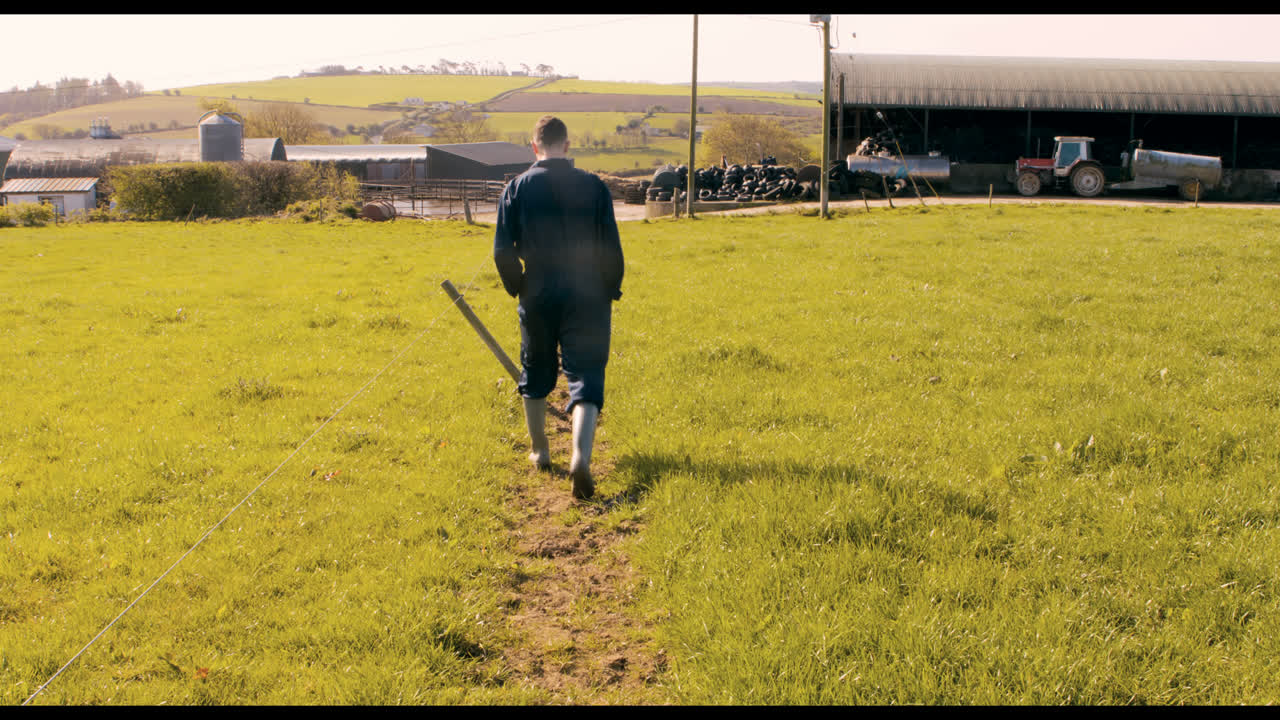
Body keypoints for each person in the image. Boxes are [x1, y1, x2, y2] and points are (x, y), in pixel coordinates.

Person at [493, 115, 624, 500]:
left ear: (534, 147)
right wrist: (610, 288)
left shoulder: (515, 188)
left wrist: (518, 286)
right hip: (588, 293)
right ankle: (580, 458)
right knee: (586, 374)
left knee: (535, 369)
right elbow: (611, 249)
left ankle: (540, 452)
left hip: (538, 289)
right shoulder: (595, 186)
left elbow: (502, 250)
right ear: (568, 147)